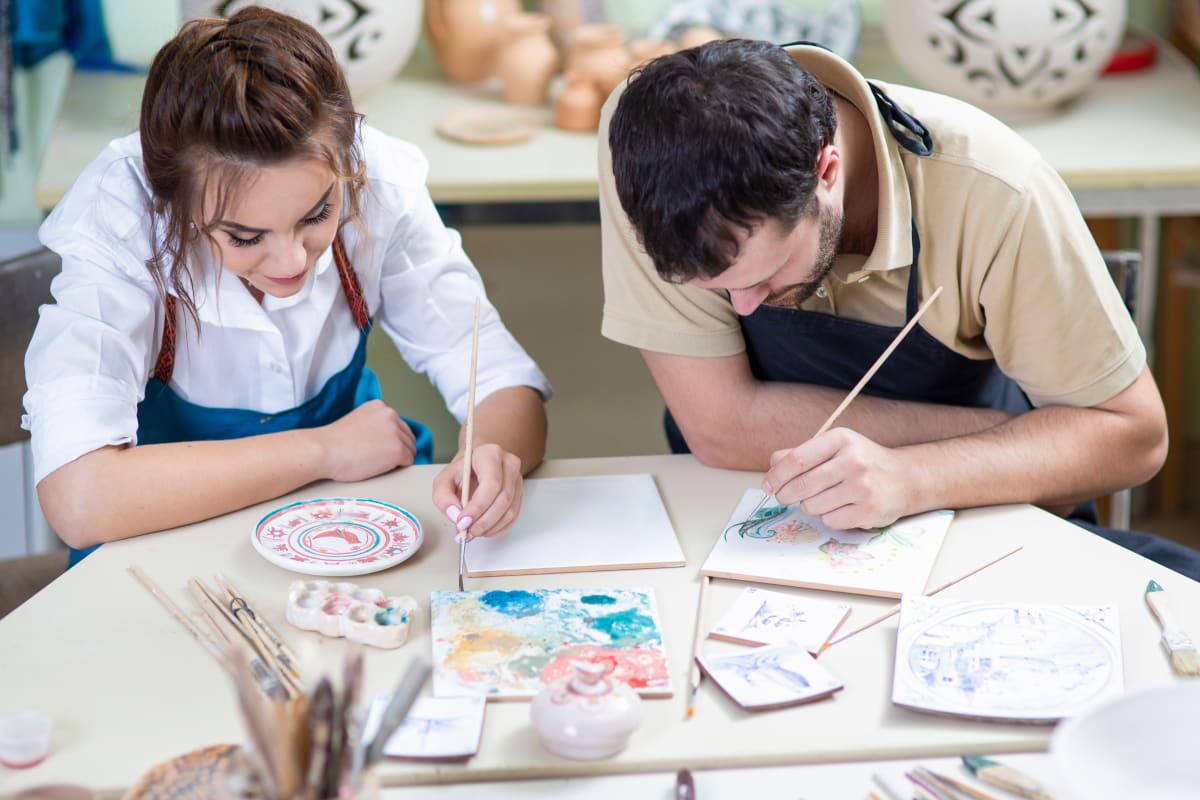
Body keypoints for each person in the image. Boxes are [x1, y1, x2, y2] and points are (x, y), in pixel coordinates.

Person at [600, 38, 1200, 577]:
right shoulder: (648, 146)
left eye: (767, 274)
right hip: (738, 528)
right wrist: (1023, 444)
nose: (745, 307)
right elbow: (722, 428)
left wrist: (917, 474)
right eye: (716, 290)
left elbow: (1133, 436)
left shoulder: (993, 190)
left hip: (968, 525)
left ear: (825, 170)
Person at [22, 7, 550, 563]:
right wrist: (323, 451)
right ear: (172, 201)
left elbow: (499, 379)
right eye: (246, 236)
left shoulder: (377, 179)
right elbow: (79, 497)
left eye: (316, 214)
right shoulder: (124, 216)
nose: (291, 260)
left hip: (346, 521)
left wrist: (491, 455)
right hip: (164, 543)